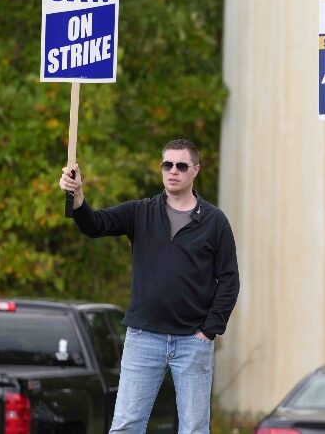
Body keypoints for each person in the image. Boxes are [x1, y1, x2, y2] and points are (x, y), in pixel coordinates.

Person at [59, 139, 239, 434]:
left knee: (194, 429)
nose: (173, 171)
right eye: (167, 165)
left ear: (195, 170)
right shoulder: (141, 211)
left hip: (193, 342)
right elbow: (95, 225)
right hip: (144, 337)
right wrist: (77, 197)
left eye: (181, 166)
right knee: (127, 425)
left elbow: (229, 278)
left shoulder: (214, 221)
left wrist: (209, 330)